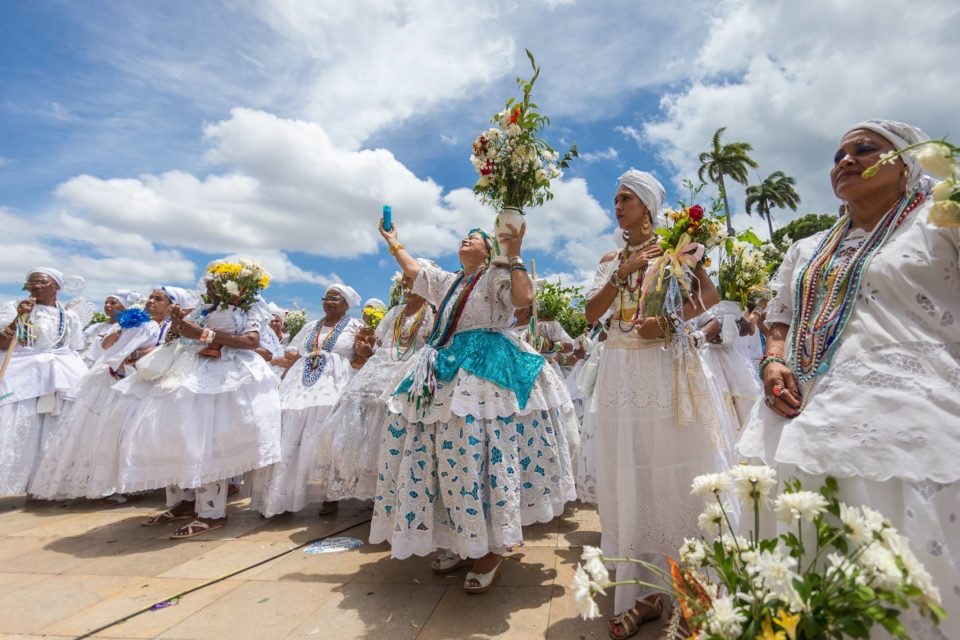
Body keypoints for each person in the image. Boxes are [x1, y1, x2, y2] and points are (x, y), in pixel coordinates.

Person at [738, 119, 959, 638]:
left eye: (865, 149)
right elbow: (780, 316)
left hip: (912, 403)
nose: (845, 160)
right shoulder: (809, 246)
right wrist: (773, 359)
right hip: (798, 405)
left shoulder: (941, 221)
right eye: (838, 154)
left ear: (907, 164)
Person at [370, 220, 577, 595]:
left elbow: (523, 299)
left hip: (488, 368)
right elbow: (415, 271)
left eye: (477, 237)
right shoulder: (447, 282)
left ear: (488, 251)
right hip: (449, 367)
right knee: (448, 457)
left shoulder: (496, 274)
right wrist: (394, 243)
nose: (467, 238)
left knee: (483, 453)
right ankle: (464, 539)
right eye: (464, 236)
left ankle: (493, 548)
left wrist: (511, 254)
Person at [585, 170, 732, 638]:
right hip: (619, 371)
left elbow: (709, 296)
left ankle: (693, 587)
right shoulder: (611, 258)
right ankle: (645, 593)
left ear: (647, 207)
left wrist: (668, 324)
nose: (618, 204)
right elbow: (591, 313)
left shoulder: (679, 249)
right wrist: (622, 273)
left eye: (626, 197)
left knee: (674, 468)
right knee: (631, 471)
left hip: (664, 367)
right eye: (616, 197)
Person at [100, 261, 281, 539]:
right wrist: (177, 322)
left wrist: (203, 334)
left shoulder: (249, 309)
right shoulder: (202, 308)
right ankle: (182, 502)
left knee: (209, 443)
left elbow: (250, 341)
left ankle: (212, 513)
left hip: (222, 379)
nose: (207, 285)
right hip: (185, 371)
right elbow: (178, 337)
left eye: (214, 281)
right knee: (174, 437)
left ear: (230, 285)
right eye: (206, 281)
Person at [28, 287, 174, 501]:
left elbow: (166, 347)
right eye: (150, 298)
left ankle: (125, 483)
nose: (151, 301)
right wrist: (121, 332)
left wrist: (132, 355)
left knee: (125, 433)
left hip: (138, 380)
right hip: (114, 379)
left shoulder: (165, 326)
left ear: (170, 306)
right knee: (102, 431)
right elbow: (105, 346)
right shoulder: (137, 322)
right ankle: (103, 484)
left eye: (158, 299)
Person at [311, 273, 434, 506]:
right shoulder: (395, 312)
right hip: (380, 366)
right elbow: (380, 342)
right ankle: (373, 487)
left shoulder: (432, 312)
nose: (407, 287)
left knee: (395, 423)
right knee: (362, 419)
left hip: (412, 370)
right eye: (404, 283)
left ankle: (399, 488)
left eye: (411, 282)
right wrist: (366, 352)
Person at [249, 284, 361, 517]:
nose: (329, 302)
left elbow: (362, 356)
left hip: (336, 385)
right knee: (289, 429)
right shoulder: (311, 327)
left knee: (327, 433)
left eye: (336, 299)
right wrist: (289, 359)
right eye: (327, 298)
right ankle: (281, 497)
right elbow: (294, 351)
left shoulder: (356, 327)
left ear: (346, 304)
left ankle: (328, 495)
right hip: (301, 384)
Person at [0, 268, 87, 496]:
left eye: (41, 282)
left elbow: (75, 346)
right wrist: (18, 318)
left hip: (60, 374)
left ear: (56, 286)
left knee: (55, 427)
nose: (36, 286)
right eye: (31, 282)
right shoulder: (13, 308)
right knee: (19, 426)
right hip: (24, 374)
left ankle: (48, 487)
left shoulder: (69, 316)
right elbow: (1, 343)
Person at [80, 290, 140, 364]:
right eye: (106, 303)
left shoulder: (126, 330)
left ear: (124, 308)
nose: (107, 305)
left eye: (113, 303)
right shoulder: (95, 326)